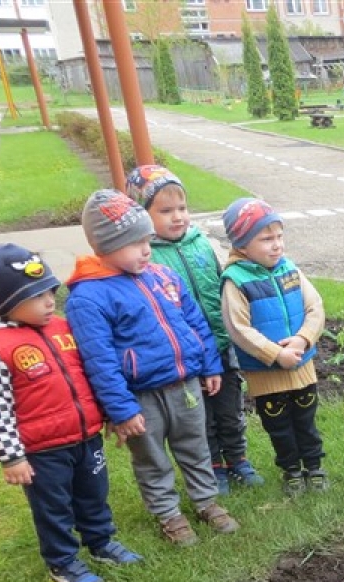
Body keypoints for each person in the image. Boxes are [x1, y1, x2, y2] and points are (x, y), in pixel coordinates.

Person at [65, 190, 238, 546]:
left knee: (195, 446)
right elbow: (98, 362)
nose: (146, 250)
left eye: (147, 240)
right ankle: (168, 514)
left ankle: (206, 501)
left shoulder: (161, 275)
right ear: (104, 247)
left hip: (185, 385)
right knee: (152, 458)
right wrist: (121, 410)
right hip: (140, 397)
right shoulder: (88, 297)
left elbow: (195, 323)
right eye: (135, 243)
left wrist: (209, 366)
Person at [0, 244, 143, 582]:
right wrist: (11, 456)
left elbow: (89, 373)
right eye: (37, 296)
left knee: (93, 494)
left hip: (86, 437)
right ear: (5, 301)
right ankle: (63, 563)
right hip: (42, 450)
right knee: (54, 507)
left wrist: (109, 413)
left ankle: (100, 542)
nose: (50, 301)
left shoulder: (63, 328)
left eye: (50, 290)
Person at [126, 165, 263, 496]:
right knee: (202, 419)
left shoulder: (201, 243)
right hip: (186, 355)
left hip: (220, 343)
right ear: (142, 216)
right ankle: (213, 467)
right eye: (165, 211)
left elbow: (222, 286)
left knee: (230, 410)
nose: (178, 217)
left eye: (182, 208)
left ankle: (239, 460)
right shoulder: (147, 258)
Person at [220, 197, 327, 496]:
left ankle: (314, 465)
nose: (277, 245)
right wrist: (275, 354)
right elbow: (238, 329)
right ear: (241, 243)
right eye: (266, 239)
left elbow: (315, 307)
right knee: (279, 425)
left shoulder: (289, 269)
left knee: (306, 420)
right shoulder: (235, 281)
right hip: (265, 374)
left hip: (302, 366)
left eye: (279, 236)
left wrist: (303, 339)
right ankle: (291, 469)